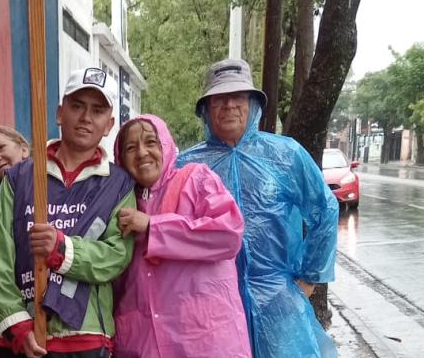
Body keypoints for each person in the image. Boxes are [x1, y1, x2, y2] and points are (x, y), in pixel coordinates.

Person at [177, 59, 339, 358]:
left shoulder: (285, 155)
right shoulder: (186, 165)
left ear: (252, 104)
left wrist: (309, 278)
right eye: (219, 99)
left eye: (237, 97)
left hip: (278, 301)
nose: (228, 106)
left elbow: (324, 209)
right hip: (212, 305)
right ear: (206, 109)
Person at [0, 67, 136, 358]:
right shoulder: (21, 177)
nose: (85, 118)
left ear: (109, 124)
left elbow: (117, 255)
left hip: (85, 338)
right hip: (20, 338)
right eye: (77, 106)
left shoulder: (118, 184)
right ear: (59, 113)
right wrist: (16, 323)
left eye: (97, 110)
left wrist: (61, 249)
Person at [112, 114, 251, 358]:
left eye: (150, 142)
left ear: (165, 144)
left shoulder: (196, 179)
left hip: (206, 343)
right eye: (130, 147)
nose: (142, 153)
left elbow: (228, 235)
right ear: (121, 158)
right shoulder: (120, 203)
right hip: (142, 344)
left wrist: (154, 227)